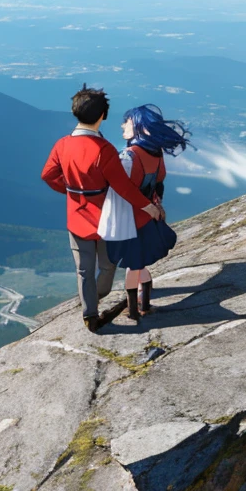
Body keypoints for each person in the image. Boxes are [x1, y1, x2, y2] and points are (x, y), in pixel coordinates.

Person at [41, 85, 161, 333]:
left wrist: (70, 191)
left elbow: (48, 175)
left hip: (76, 217)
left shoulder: (62, 145)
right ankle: (97, 298)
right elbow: (123, 187)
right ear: (102, 115)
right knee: (107, 266)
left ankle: (90, 314)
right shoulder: (104, 149)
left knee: (83, 269)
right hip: (105, 218)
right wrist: (148, 206)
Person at [108, 104, 192, 322]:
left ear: (139, 127)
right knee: (140, 263)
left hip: (131, 219)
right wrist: (157, 206)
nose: (122, 125)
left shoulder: (128, 156)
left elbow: (122, 189)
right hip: (149, 218)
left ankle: (133, 308)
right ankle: (144, 304)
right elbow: (159, 184)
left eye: (126, 121)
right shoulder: (156, 155)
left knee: (132, 266)